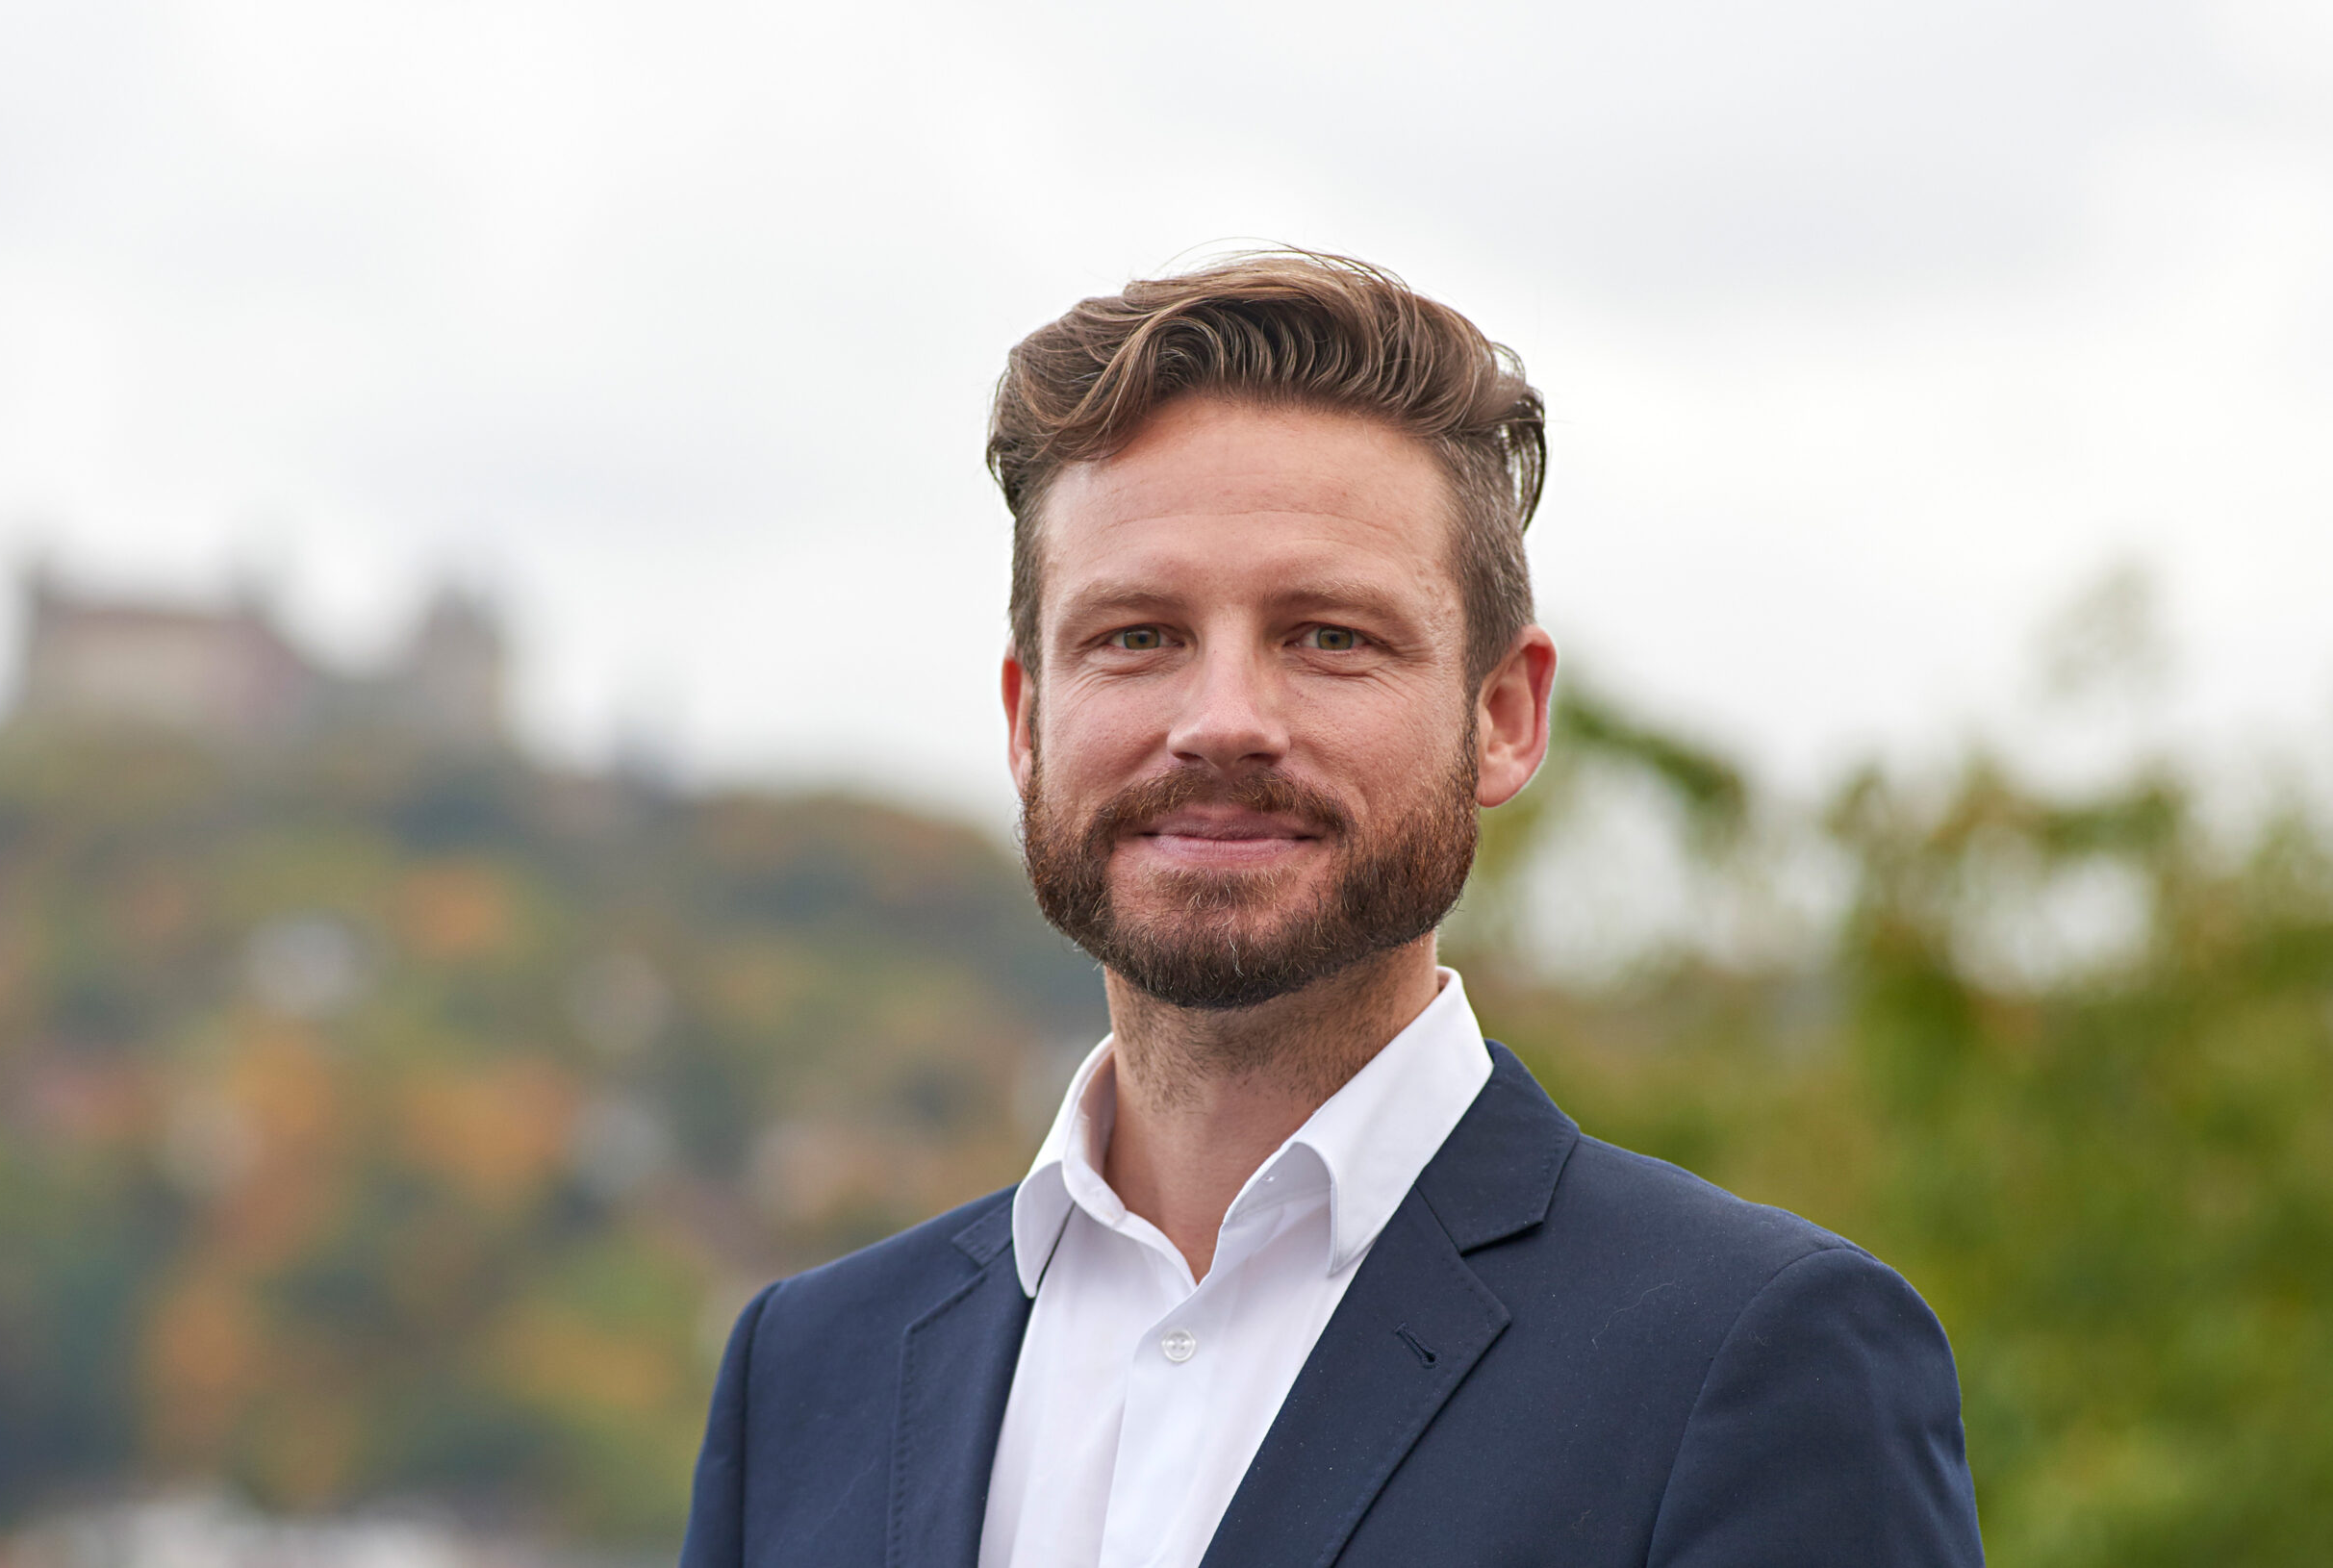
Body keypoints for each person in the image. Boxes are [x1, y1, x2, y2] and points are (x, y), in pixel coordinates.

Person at [680, 251, 1984, 1568]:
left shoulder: (1755, 1360)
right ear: (1028, 720)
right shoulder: (806, 1372)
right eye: (1136, 635)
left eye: (1329, 636)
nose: (1222, 720)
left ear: (1504, 716)